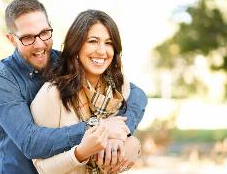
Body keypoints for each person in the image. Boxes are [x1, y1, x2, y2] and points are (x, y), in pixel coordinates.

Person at [0, 0, 147, 174]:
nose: (39, 44)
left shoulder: (66, 62)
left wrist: (122, 132)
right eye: (28, 38)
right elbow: (31, 142)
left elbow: (136, 94)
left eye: (45, 33)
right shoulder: (1, 80)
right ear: (11, 39)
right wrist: (98, 127)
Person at [30, 9, 143, 174]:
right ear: (77, 46)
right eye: (93, 41)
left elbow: (124, 132)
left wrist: (131, 143)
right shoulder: (52, 94)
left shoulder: (119, 88)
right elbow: (41, 167)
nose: (102, 51)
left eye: (109, 42)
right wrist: (81, 152)